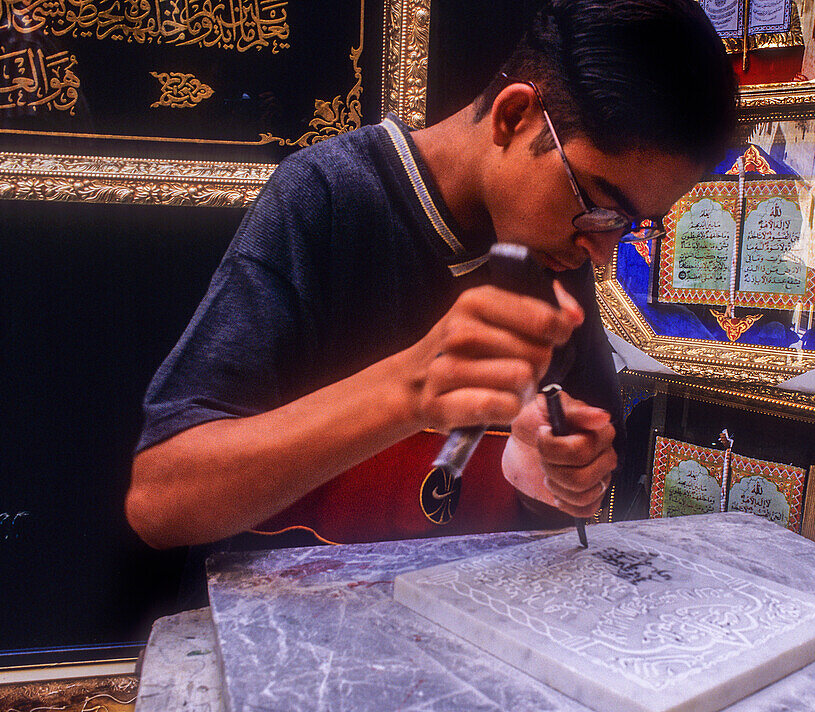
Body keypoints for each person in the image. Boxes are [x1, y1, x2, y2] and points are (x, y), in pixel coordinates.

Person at [126, 0, 738, 550]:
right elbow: (161, 502)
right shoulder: (326, 198)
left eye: (629, 224)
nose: (601, 252)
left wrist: (556, 473)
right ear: (515, 115)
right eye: (599, 205)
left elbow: (578, 486)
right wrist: (411, 389)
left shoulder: (557, 251)